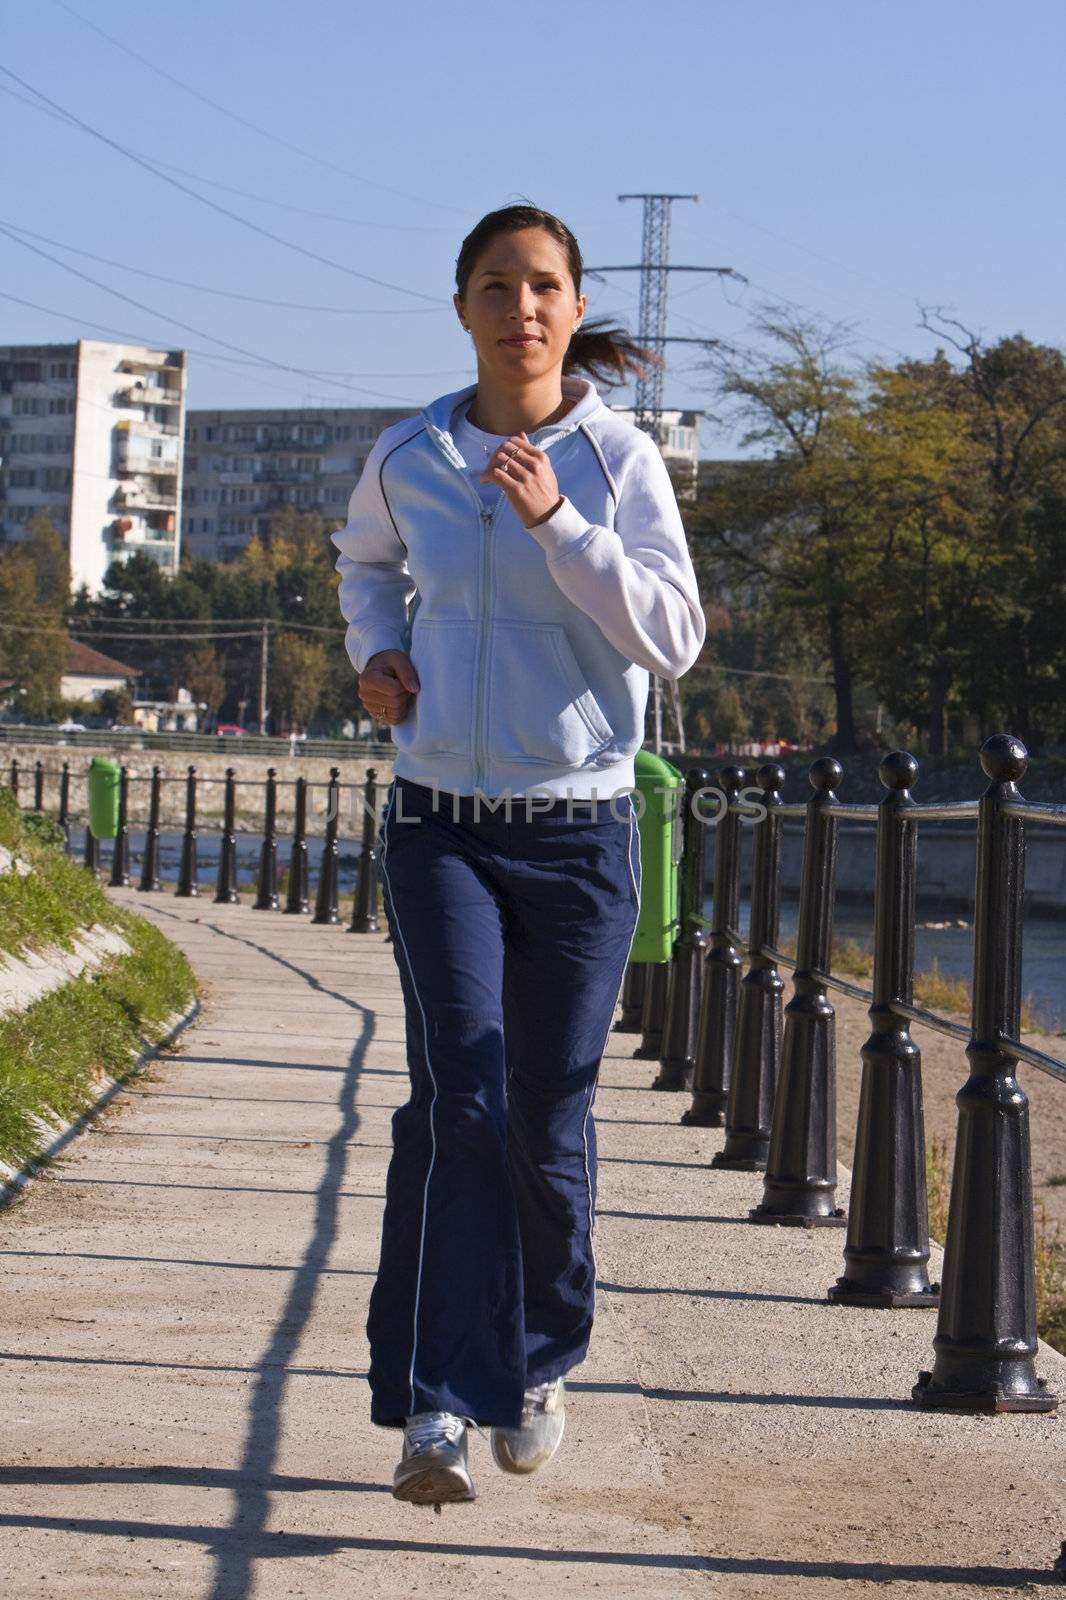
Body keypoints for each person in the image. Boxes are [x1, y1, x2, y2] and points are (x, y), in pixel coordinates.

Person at [331, 203, 705, 1507]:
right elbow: (364, 567)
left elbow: (672, 637)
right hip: (441, 823)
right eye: (497, 285)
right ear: (463, 309)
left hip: (578, 833)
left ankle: (539, 1364)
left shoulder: (615, 460)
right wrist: (374, 656)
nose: (521, 307)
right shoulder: (411, 452)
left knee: (545, 1118)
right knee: (461, 1101)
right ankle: (435, 1403)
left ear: (572, 304)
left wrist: (560, 526)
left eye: (542, 285)